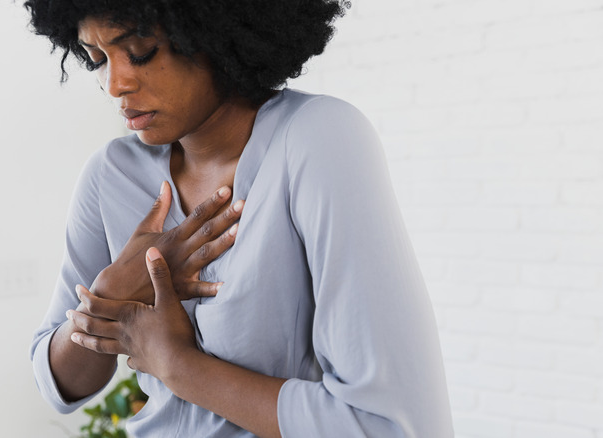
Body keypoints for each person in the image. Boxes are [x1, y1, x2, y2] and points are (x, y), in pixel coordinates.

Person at [25, 1, 454, 437]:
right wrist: (111, 291)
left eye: (140, 51)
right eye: (96, 59)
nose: (115, 84)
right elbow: (56, 382)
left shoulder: (316, 138)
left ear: (211, 33)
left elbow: (388, 427)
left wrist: (175, 364)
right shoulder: (111, 174)